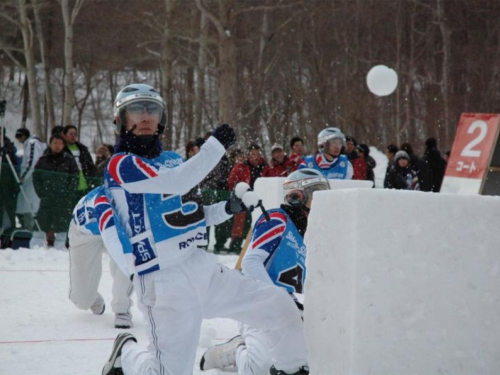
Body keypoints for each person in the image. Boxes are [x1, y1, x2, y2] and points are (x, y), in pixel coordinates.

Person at [101, 84, 308, 375]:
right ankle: (127, 353)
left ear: (162, 118)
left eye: (153, 110)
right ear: (120, 118)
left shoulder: (172, 159)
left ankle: (291, 368)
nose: (146, 117)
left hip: (200, 267)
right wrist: (215, 145)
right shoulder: (120, 165)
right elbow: (176, 182)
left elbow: (194, 217)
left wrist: (228, 208)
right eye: (137, 110)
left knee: (280, 308)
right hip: (163, 280)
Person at [200, 169, 328, 375]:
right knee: (259, 368)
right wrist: (276, 299)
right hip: (258, 305)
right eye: (317, 195)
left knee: (309, 360)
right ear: (297, 196)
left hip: (289, 311)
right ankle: (236, 349)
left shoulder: (309, 233)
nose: (321, 203)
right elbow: (251, 262)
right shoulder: (278, 218)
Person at [68, 186, 134, 328]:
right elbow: (113, 240)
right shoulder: (103, 204)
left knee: (130, 256)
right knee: (81, 300)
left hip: (116, 230)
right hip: (84, 233)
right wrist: (133, 273)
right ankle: (92, 298)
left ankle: (121, 309)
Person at [31, 133, 79, 249]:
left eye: (60, 143)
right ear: (50, 144)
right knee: (41, 223)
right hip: (46, 198)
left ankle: (60, 248)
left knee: (62, 226)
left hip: (63, 199)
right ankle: (35, 248)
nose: (57, 146)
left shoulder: (69, 160)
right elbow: (36, 177)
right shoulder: (43, 160)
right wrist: (42, 192)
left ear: (63, 145)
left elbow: (75, 178)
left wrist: (68, 193)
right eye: (55, 143)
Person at [227, 144, 267, 254]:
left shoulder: (264, 166)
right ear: (248, 155)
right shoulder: (241, 166)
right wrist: (240, 192)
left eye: (258, 154)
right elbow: (231, 181)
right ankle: (235, 245)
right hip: (243, 198)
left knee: (255, 222)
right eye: (253, 154)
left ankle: (254, 245)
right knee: (240, 223)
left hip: (259, 197)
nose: (256, 157)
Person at [14, 128, 46, 231]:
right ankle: (28, 227)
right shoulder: (30, 144)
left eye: (19, 137)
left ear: (23, 136)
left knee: (29, 205)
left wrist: (23, 177)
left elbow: (32, 162)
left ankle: (31, 229)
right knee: (26, 205)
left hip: (31, 181)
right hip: (30, 181)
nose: (19, 140)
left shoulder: (33, 143)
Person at [62, 124, 98, 198]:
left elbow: (91, 166)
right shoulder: (61, 150)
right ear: (64, 135)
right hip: (69, 187)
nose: (73, 136)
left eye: (75, 134)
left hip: (85, 185)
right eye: (71, 134)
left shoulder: (83, 149)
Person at [0, 127, 20, 240]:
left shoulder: (8, 148)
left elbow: (14, 167)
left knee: (8, 208)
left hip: (7, 183)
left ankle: (8, 232)